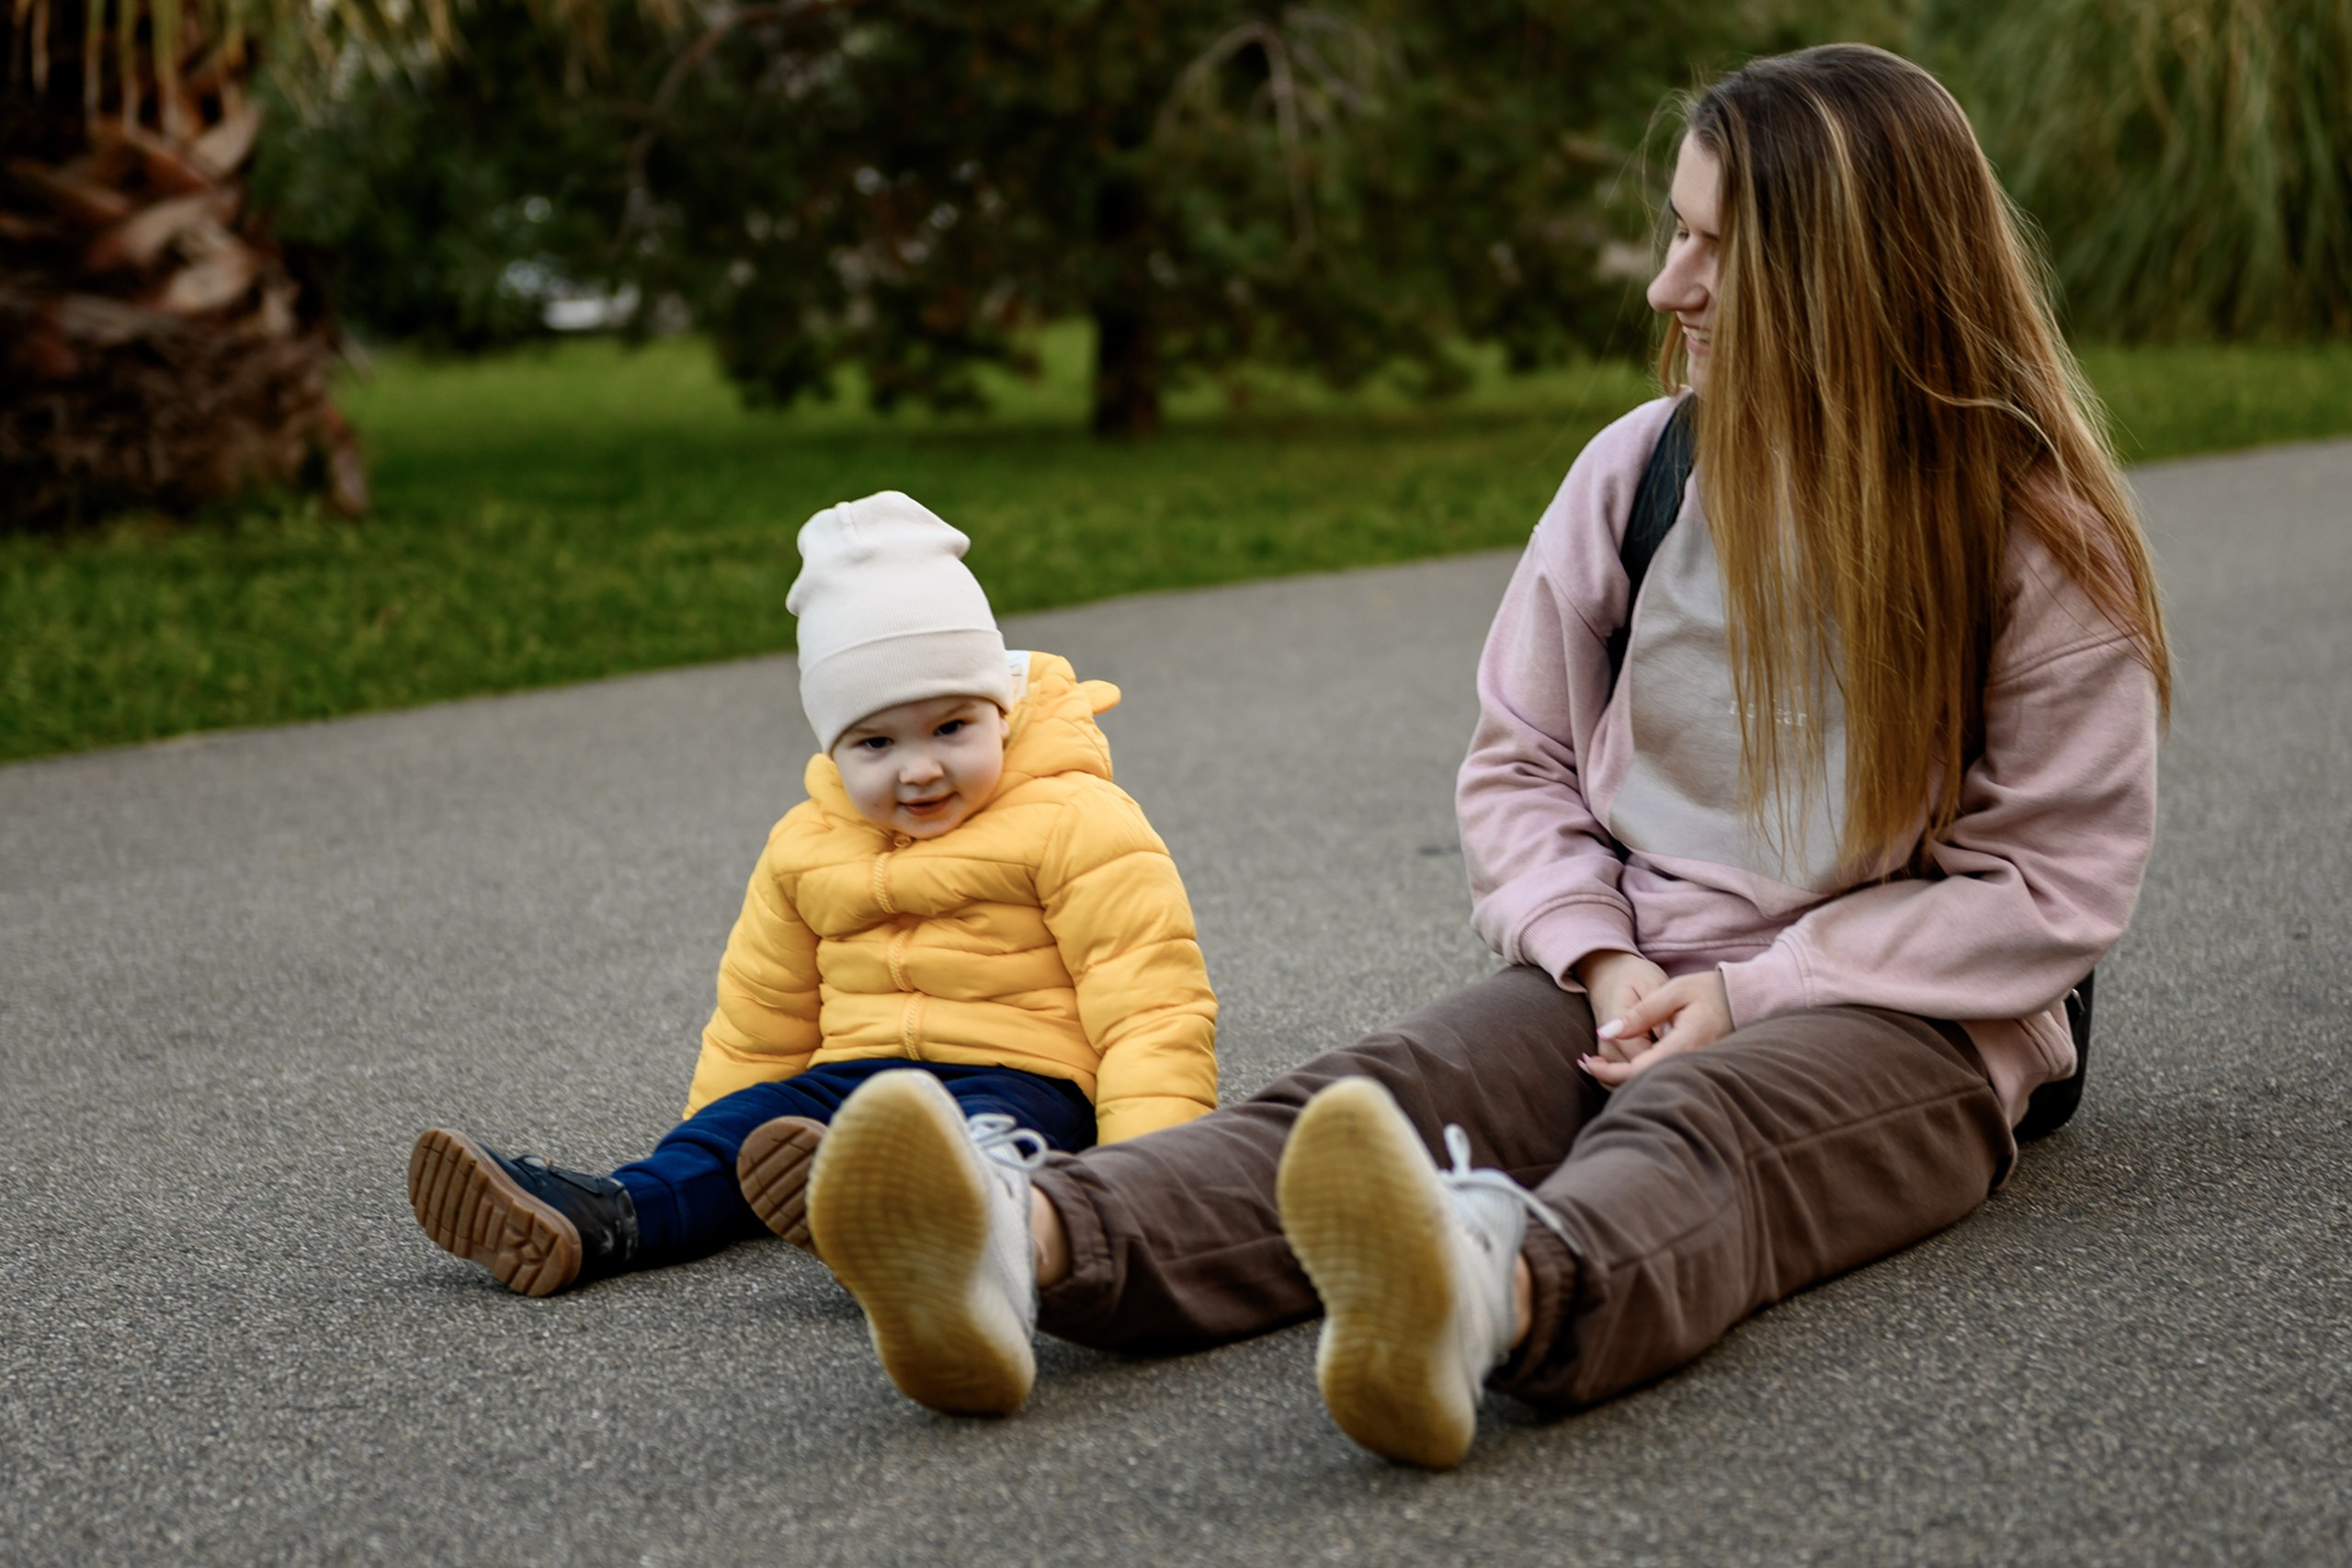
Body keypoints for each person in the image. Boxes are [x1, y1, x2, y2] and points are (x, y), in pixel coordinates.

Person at [799, 43, 2169, 1466]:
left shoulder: (2026, 532)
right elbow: (1520, 761)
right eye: (1674, 230)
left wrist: (1750, 989)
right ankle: (1013, 1245)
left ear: (1851, 279)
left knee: (1703, 1127)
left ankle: (1480, 1290)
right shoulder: (1639, 475)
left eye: (1717, 249)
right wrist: (1600, 955)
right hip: (1632, 967)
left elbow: (2045, 888)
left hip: (1904, 1020)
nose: (1665, 284)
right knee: (1381, 1091)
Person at [406, 492, 1219, 1299]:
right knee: (738, 1137)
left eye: (952, 728)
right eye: (876, 742)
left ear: (999, 713)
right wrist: (715, 1138)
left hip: (1026, 1075)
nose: (920, 767)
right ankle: (605, 1218)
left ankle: (942, 1219)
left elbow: (1149, 1003)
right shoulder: (805, 845)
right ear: (833, 749)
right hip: (851, 1076)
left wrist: (1146, 1171)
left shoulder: (1073, 818)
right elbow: (763, 1013)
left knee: (979, 1145)